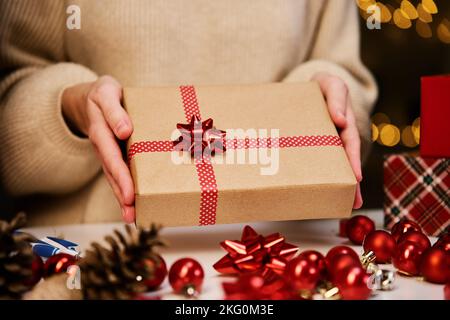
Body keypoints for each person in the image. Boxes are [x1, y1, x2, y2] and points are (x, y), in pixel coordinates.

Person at [0, 0, 377, 226]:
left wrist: (321, 102)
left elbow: (345, 76)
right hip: (99, 253)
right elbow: (10, 92)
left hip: (281, 253)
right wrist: (70, 107)